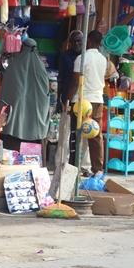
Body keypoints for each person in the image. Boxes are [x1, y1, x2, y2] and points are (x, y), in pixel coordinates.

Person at [67, 30, 108, 175]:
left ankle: (74, 168)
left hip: (81, 102)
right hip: (97, 100)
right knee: (95, 135)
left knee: (76, 134)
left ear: (89, 41)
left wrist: (67, 100)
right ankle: (98, 169)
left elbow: (75, 83)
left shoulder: (81, 58)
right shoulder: (103, 59)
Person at [0, 38, 51, 151]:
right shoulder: (41, 69)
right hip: (34, 128)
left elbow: (6, 92)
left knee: (11, 154)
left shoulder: (13, 66)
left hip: (14, 127)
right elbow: (45, 96)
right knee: (31, 157)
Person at [57, 30, 84, 166]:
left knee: (83, 132)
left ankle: (82, 164)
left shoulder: (86, 57)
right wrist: (59, 100)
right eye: (74, 41)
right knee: (65, 132)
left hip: (83, 100)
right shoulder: (64, 56)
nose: (76, 43)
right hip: (67, 97)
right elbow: (60, 79)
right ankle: (61, 161)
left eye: (79, 40)